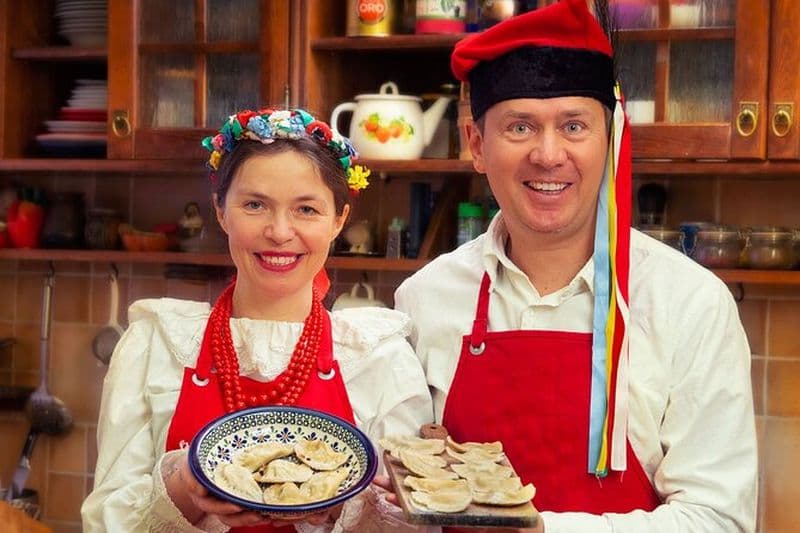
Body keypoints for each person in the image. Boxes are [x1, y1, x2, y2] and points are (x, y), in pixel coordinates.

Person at [392, 1, 758, 531]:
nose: (547, 154)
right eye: (519, 127)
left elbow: (718, 519)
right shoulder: (424, 299)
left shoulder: (689, 304)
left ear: (610, 138)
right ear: (476, 143)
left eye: (573, 126)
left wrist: (539, 529)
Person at [81, 108, 434, 532]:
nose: (280, 232)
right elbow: (105, 522)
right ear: (221, 211)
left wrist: (344, 501)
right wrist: (181, 487)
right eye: (254, 205)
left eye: (306, 209)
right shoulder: (156, 344)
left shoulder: (381, 356)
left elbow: (417, 523)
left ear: (339, 220)